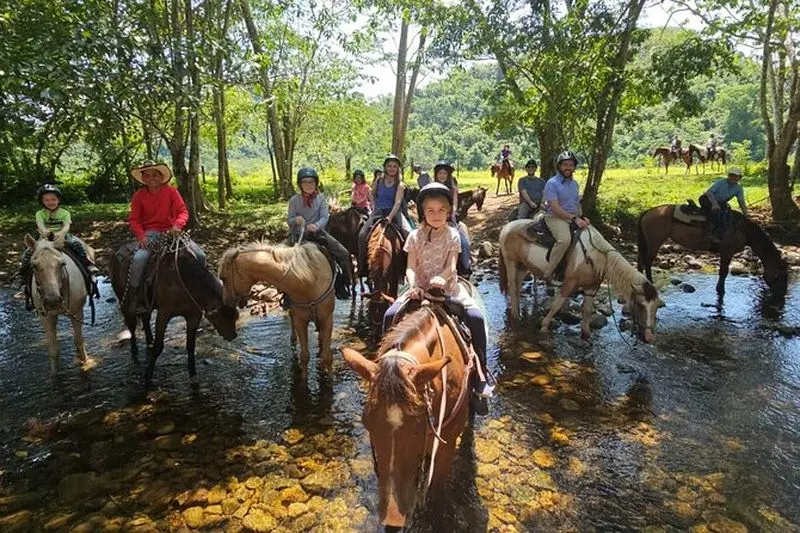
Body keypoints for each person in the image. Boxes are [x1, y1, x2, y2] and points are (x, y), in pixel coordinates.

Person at [382, 182, 493, 413]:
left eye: (441, 210)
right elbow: (410, 267)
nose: (436, 215)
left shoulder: (453, 235)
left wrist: (442, 279)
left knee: (475, 317)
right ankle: (384, 368)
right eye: (430, 210)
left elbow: (452, 267)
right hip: (418, 289)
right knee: (389, 314)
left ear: (448, 211)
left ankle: (481, 373)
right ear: (422, 212)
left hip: (449, 290)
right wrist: (413, 285)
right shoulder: (413, 236)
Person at [125, 160, 206, 314]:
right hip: (151, 233)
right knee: (138, 260)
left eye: (154, 174)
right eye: (147, 175)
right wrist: (141, 236)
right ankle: (135, 296)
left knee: (200, 255)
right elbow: (134, 219)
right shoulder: (139, 195)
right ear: (143, 178)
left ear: (161, 177)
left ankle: (201, 292)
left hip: (172, 231)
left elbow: (183, 211)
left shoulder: (171, 192)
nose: (151, 178)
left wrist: (177, 225)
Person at [16, 184, 97, 310]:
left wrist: (61, 234)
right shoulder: (40, 213)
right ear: (42, 201)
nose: (50, 202)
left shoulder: (64, 213)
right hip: (44, 238)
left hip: (62, 236)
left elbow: (66, 226)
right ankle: (22, 274)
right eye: (47, 200)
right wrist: (46, 233)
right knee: (28, 252)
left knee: (77, 244)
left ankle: (87, 264)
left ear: (58, 200)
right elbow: (40, 225)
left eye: (53, 199)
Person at [288, 167, 354, 299]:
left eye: (311, 182)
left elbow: (325, 217)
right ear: (300, 184)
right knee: (283, 257)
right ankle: (286, 294)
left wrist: (317, 225)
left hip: (317, 233)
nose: (308, 185)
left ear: (316, 183)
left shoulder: (321, 199)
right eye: (305, 182)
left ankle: (344, 284)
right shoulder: (294, 200)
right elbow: (289, 219)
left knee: (343, 253)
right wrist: (296, 220)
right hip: (298, 235)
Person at [357, 154, 412, 274]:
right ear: (385, 167)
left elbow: (397, 202)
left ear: (398, 168)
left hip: (394, 212)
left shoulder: (400, 184)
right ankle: (363, 267)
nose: (392, 168)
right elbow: (371, 193)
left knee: (409, 234)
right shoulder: (379, 180)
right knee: (362, 235)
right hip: (378, 211)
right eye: (389, 166)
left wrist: (390, 217)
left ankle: (409, 266)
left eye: (394, 166)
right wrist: (374, 205)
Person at [542, 151, 590, 280]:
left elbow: (576, 204)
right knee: (564, 240)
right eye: (565, 165)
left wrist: (582, 216)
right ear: (559, 166)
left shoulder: (574, 184)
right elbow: (555, 208)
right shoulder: (552, 183)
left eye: (570, 165)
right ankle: (549, 272)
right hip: (555, 217)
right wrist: (574, 218)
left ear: (574, 167)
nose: (568, 167)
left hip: (572, 217)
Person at [432, 160, 471, 278]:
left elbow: (454, 203)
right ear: (436, 175)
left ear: (448, 174)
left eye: (444, 173)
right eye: (440, 173)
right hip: (434, 217)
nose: (442, 176)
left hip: (449, 217)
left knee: (464, 243)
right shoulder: (432, 188)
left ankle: (466, 268)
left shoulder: (453, 188)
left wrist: (451, 212)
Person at [699, 167, 748, 243]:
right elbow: (709, 192)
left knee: (727, 213)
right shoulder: (721, 182)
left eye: (736, 176)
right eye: (731, 175)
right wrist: (714, 204)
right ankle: (709, 233)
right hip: (707, 199)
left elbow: (741, 201)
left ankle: (723, 232)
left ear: (739, 178)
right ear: (728, 176)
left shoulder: (738, 188)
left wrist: (745, 213)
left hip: (721, 203)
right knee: (715, 211)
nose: (733, 178)